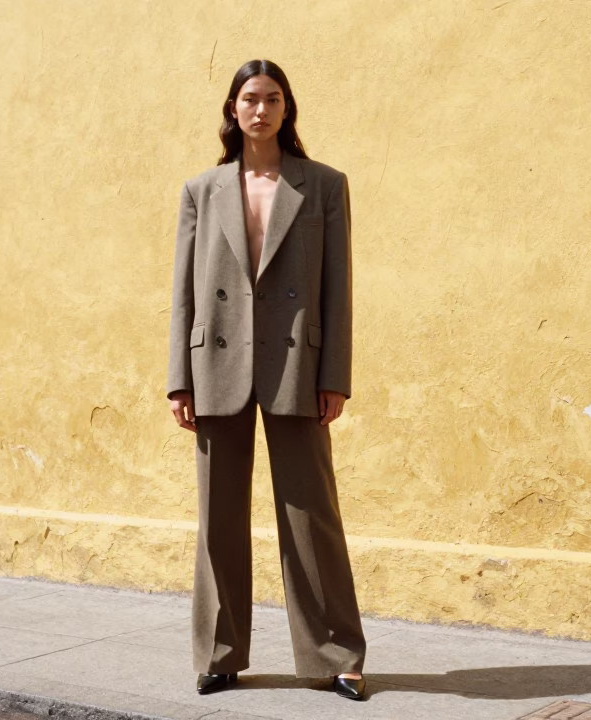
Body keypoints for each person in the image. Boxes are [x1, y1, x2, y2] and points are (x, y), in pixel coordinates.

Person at [165, 58, 367, 702]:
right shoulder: (202, 190)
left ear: (287, 109)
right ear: (232, 109)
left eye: (272, 98)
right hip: (216, 363)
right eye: (249, 98)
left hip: (298, 365)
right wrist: (180, 379)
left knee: (312, 517)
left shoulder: (324, 186)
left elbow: (338, 289)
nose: (260, 109)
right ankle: (219, 654)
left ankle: (335, 656)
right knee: (217, 518)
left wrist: (334, 374)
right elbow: (182, 295)